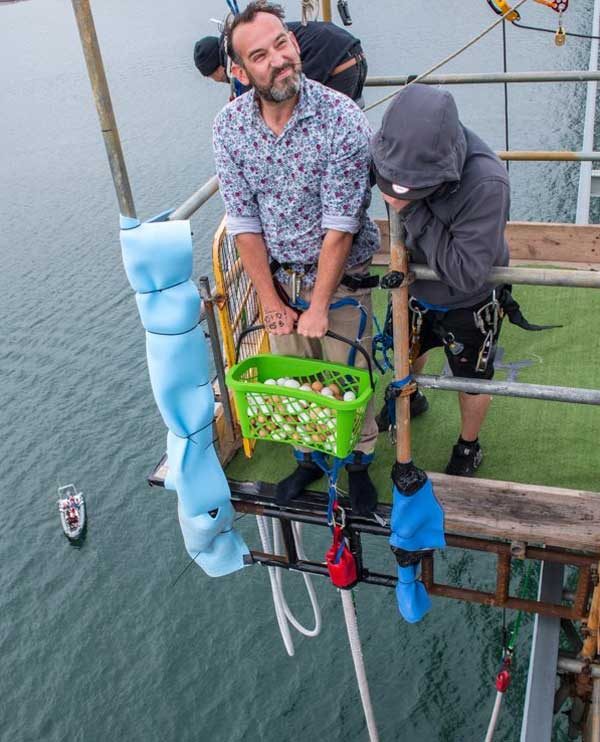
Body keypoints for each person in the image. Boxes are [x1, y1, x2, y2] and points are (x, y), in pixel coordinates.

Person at [212, 2, 380, 513]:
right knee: (293, 380)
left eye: (282, 44)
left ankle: (358, 462)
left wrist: (320, 305)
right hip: (279, 278)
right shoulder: (229, 128)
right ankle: (307, 456)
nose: (279, 60)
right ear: (241, 73)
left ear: (295, 44)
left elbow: (340, 226)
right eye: (260, 55)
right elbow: (243, 224)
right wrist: (272, 301)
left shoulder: (342, 119)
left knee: (348, 375)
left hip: (342, 273)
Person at [371, 84, 511, 477]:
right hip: (412, 288)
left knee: (471, 378)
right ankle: (410, 398)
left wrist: (410, 209)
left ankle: (469, 445)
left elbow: (466, 271)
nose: (399, 189)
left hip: (467, 300)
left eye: (415, 185)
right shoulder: (390, 148)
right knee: (406, 352)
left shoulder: (486, 183)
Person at [195, 18, 367, 105]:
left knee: (320, 130)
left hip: (337, 65)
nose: (218, 80)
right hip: (352, 53)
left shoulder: (239, 57)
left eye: (212, 77)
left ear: (216, 69)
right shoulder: (242, 41)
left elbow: (260, 106)